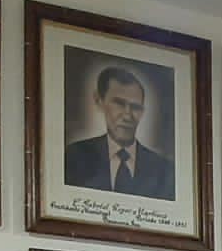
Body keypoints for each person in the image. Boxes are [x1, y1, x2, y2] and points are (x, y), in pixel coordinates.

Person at [63, 65, 175, 199]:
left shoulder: (164, 170)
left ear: (142, 111)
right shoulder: (74, 157)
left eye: (135, 107)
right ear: (99, 102)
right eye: (119, 104)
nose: (127, 115)